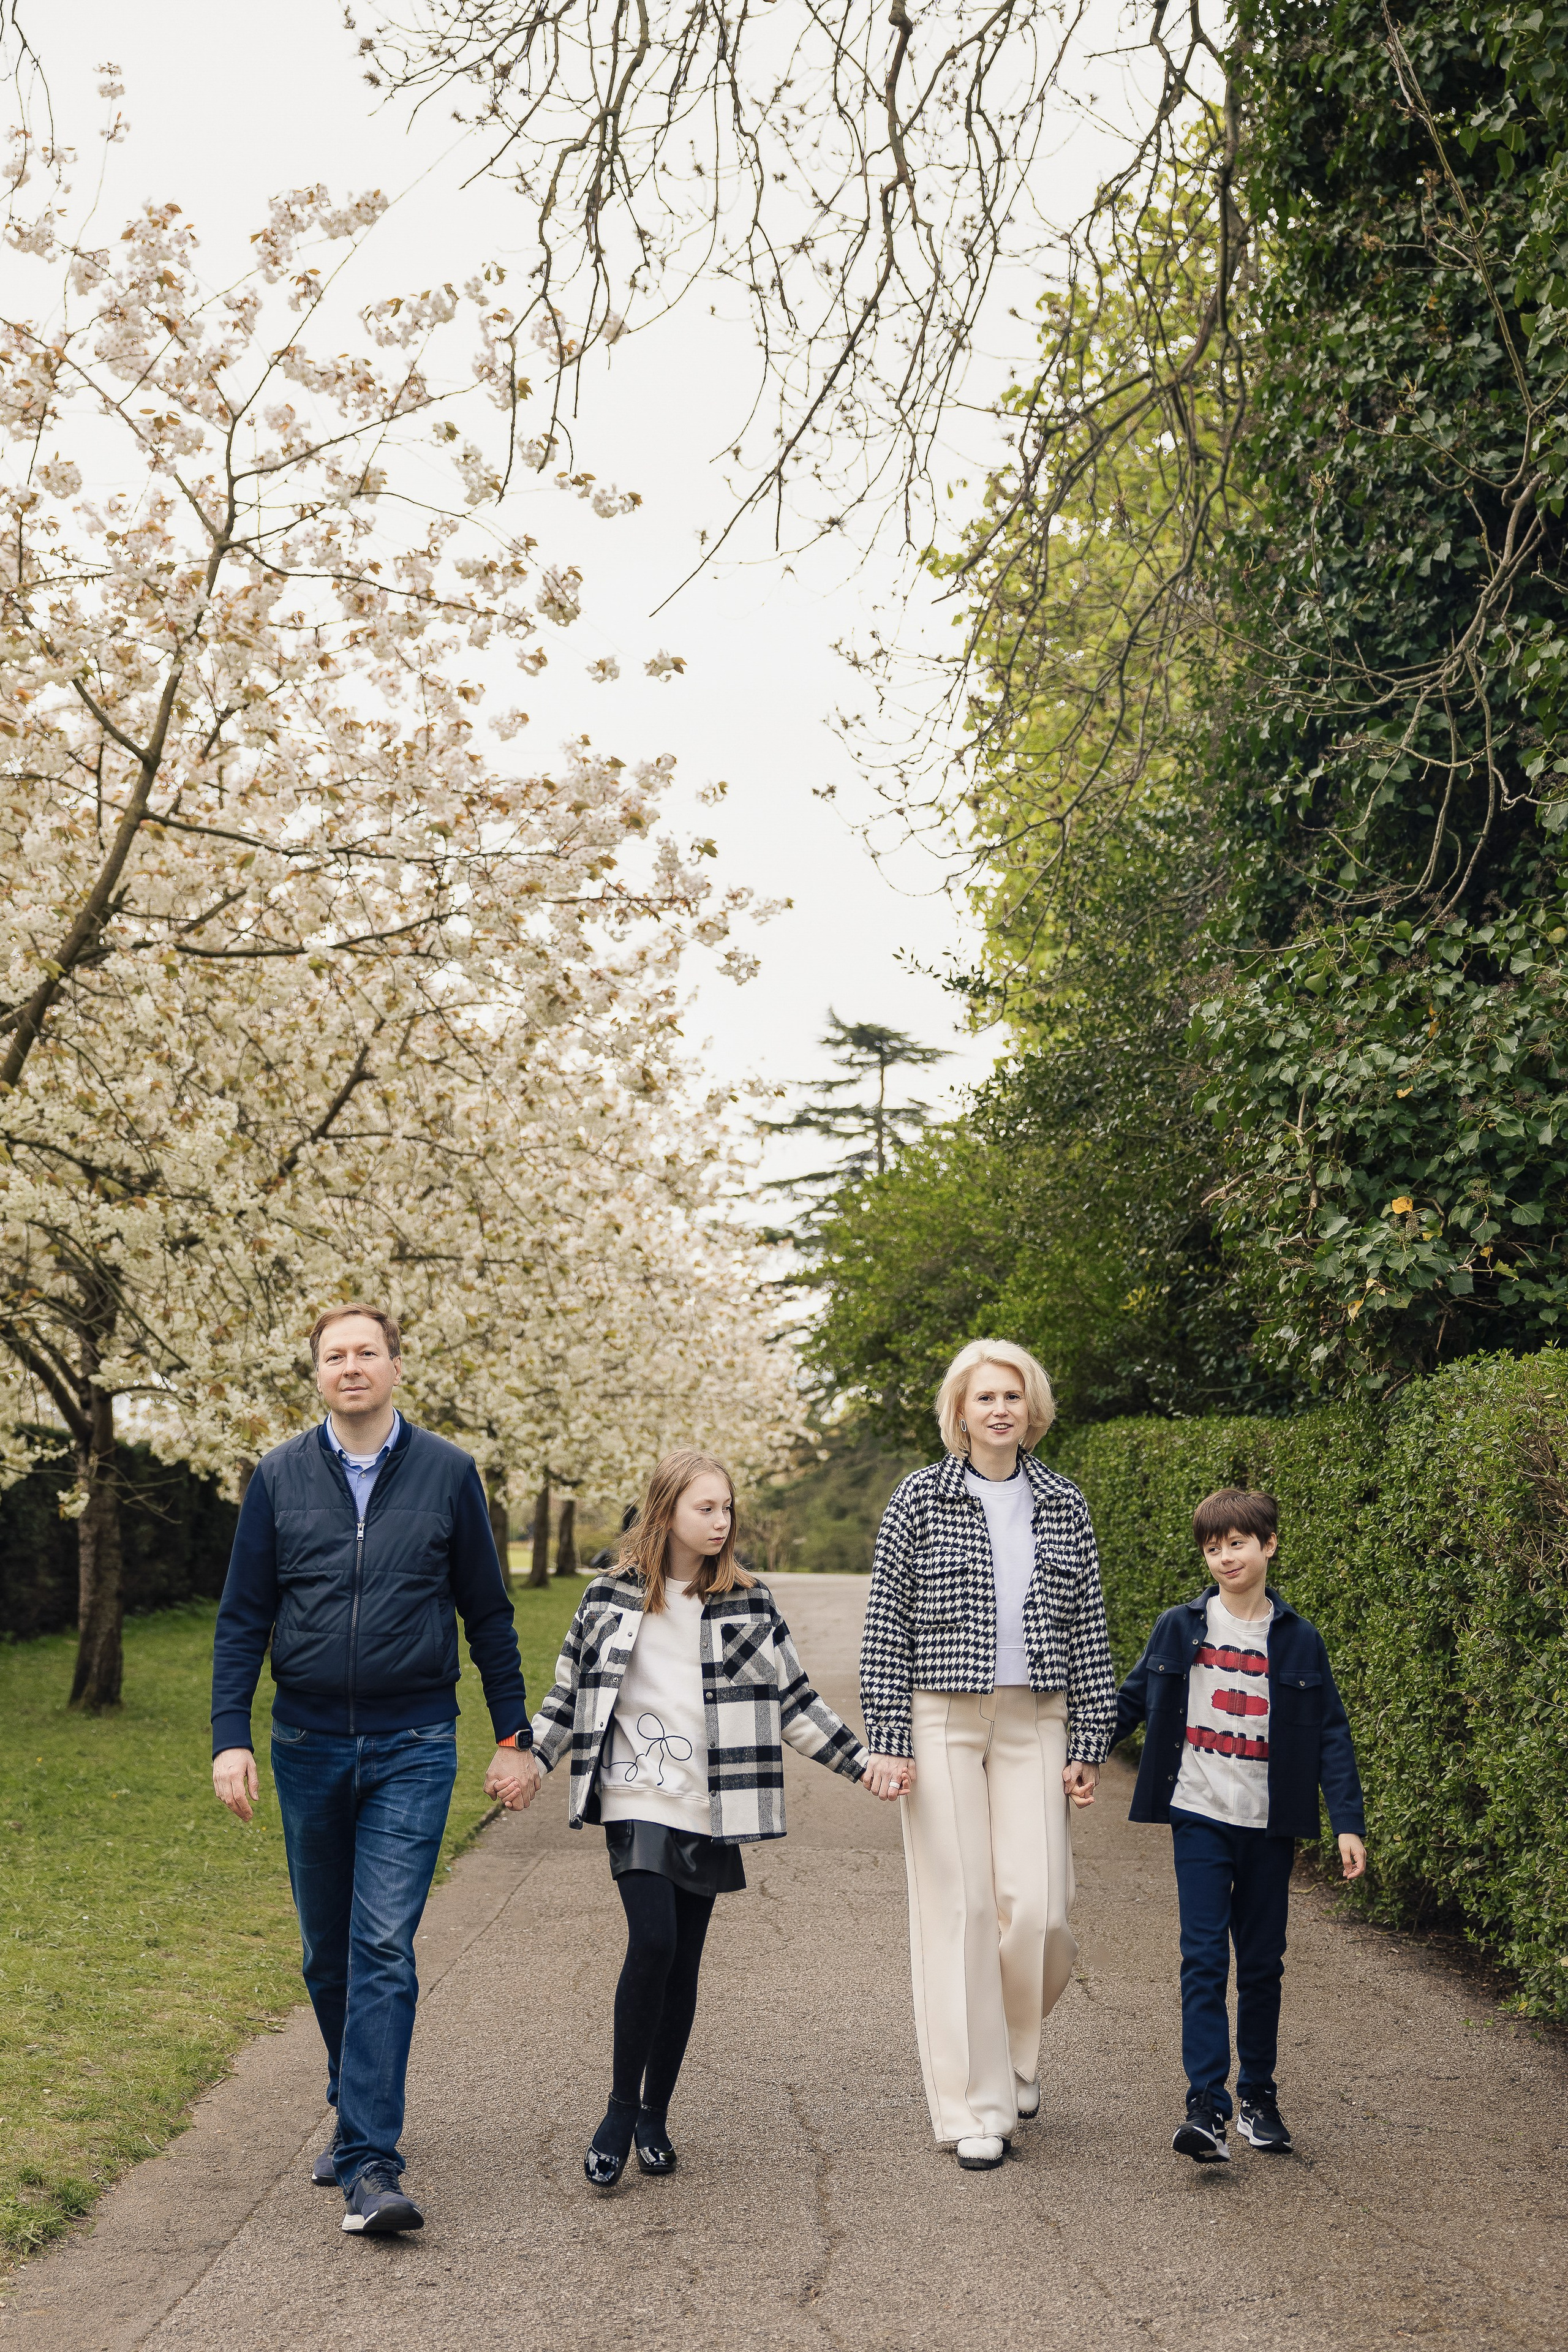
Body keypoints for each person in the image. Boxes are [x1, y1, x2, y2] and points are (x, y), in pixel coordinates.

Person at [209, 1303, 538, 2236]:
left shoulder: (446, 1474)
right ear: (317, 1375)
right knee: (326, 1954)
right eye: (334, 1356)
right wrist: (230, 1733)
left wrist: (512, 1733)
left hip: (415, 1743)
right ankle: (352, 2099)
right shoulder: (277, 1477)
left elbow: (489, 1613)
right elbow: (243, 1618)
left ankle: (369, 2163)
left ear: (396, 1366)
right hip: (307, 1745)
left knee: (383, 1946)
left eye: (367, 1353)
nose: (350, 1367)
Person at [517, 1447, 895, 2187]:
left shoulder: (749, 1602)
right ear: (665, 1512)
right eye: (705, 1508)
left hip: (712, 1802)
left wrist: (864, 1763)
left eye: (727, 1508)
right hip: (634, 1795)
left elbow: (795, 1703)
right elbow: (565, 1697)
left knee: (683, 1963)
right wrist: (530, 1761)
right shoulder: (606, 1598)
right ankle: (620, 2110)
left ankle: (658, 2113)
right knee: (652, 1941)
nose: (721, 1522)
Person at [859, 1338, 1117, 2170]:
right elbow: (883, 1626)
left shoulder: (1064, 1502)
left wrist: (1089, 1740)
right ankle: (974, 2108)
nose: (1000, 1409)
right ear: (959, 1414)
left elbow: (1090, 1628)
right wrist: (891, 1743)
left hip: (1035, 1716)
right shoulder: (920, 1499)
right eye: (984, 1399)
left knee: (1041, 1910)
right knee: (960, 1911)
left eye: (1012, 1396)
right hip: (942, 1716)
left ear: (1031, 1410)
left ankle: (1010, 2049)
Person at [1108, 1487, 1366, 2163]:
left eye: (1237, 1544)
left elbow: (1330, 1736)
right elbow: (1132, 1698)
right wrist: (1078, 1754)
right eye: (1212, 1548)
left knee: (1259, 1965)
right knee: (1201, 1959)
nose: (1225, 1558)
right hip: (1197, 1814)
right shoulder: (1179, 1626)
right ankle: (1205, 2107)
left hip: (1267, 1825)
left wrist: (1347, 1822)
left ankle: (1257, 2096)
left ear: (1268, 1545)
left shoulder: (1299, 1639)